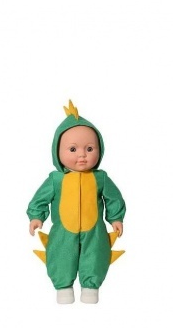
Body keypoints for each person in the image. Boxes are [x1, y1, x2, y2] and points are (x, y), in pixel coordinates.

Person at [27, 100, 126, 304]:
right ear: (57, 151)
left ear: (100, 149)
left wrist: (116, 218)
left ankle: (91, 287)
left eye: (90, 148)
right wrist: (36, 216)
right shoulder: (55, 180)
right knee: (61, 255)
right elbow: (40, 198)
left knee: (95, 255)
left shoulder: (101, 178)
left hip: (95, 231)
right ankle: (63, 287)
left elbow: (113, 197)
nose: (82, 155)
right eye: (72, 149)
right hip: (63, 231)